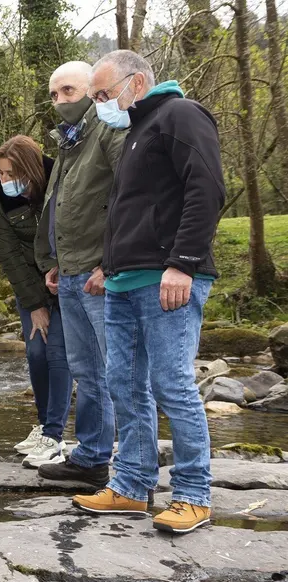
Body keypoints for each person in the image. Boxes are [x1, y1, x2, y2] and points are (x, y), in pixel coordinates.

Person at [73, 51, 225, 534]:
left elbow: (207, 188)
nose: (99, 104)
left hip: (167, 281)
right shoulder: (134, 131)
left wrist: (184, 263)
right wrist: (106, 265)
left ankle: (193, 495)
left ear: (135, 83)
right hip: (123, 282)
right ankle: (132, 488)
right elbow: (134, 211)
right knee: (124, 385)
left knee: (172, 384)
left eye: (102, 94)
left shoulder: (180, 114)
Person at [33, 61, 128, 485]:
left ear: (92, 90)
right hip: (69, 272)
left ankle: (130, 465)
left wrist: (110, 264)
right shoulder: (68, 141)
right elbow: (61, 204)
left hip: (100, 273)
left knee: (117, 370)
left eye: (68, 91)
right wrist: (53, 261)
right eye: (54, 95)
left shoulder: (109, 130)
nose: (60, 101)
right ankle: (90, 456)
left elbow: (131, 196)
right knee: (85, 370)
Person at [0, 136, 73, 469]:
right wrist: (35, 303)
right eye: (1, 173)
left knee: (58, 352)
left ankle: (54, 435)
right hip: (30, 285)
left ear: (31, 169)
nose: (5, 180)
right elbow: (6, 253)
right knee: (36, 351)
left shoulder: (60, 177)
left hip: (67, 280)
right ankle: (43, 425)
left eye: (11, 173)